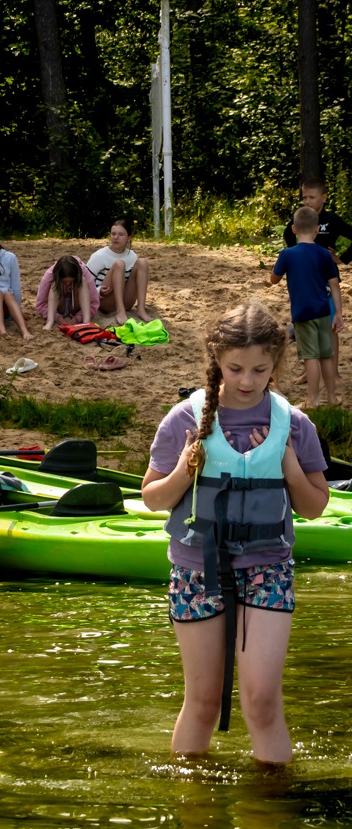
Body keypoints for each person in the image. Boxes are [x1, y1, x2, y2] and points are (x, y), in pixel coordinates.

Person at [141, 302, 329, 764]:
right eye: (235, 368)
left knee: (262, 701)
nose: (247, 381)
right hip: (197, 571)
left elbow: (313, 507)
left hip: (267, 568)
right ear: (216, 361)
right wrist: (187, 468)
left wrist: (287, 463)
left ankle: (271, 815)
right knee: (203, 702)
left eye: (260, 370)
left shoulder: (294, 424)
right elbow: (153, 498)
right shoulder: (184, 419)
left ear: (277, 364)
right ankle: (195, 811)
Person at [271, 205, 343, 407]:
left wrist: (274, 274)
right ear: (317, 229)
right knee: (326, 355)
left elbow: (274, 278)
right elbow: (335, 284)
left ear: (293, 229)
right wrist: (338, 313)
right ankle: (331, 397)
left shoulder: (287, 254)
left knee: (310, 356)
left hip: (302, 313)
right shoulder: (324, 254)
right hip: (323, 312)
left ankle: (312, 399)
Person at [283, 178, 352, 381]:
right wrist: (295, 256)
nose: (307, 201)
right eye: (304, 197)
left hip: (327, 282)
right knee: (306, 324)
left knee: (330, 326)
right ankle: (308, 371)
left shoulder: (332, 220)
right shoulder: (301, 219)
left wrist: (342, 258)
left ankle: (335, 372)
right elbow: (288, 234)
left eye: (312, 197)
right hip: (305, 281)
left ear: (323, 198)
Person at [87, 218, 151, 325]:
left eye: (121, 234)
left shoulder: (132, 256)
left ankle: (141, 309)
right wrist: (99, 291)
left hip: (126, 301)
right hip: (105, 301)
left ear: (129, 238)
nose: (116, 237)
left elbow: (131, 283)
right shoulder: (99, 256)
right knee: (119, 264)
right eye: (113, 234)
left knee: (142, 262)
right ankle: (120, 311)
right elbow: (85, 283)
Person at [35, 255, 100, 330]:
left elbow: (94, 303)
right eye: (64, 282)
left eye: (71, 282)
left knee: (83, 281)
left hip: (76, 307)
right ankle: (50, 320)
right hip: (59, 307)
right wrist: (56, 316)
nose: (68, 284)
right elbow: (40, 304)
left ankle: (86, 321)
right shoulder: (50, 274)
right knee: (55, 283)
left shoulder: (83, 272)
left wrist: (79, 317)